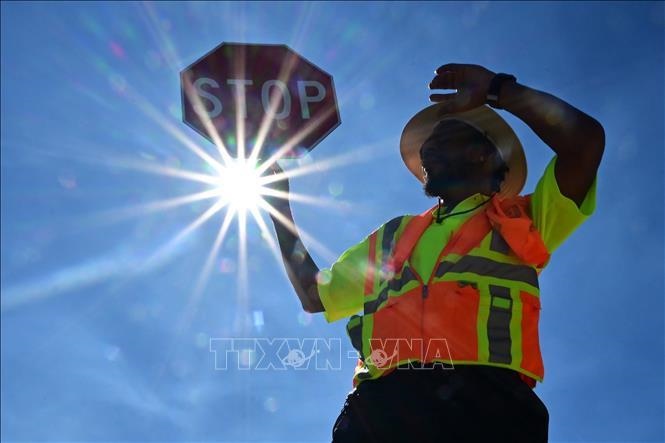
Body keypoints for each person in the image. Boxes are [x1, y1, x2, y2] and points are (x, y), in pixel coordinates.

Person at [266, 63, 604, 442]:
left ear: (483, 154)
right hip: (380, 412)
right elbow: (316, 296)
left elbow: (585, 143)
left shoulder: (525, 219)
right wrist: (279, 208)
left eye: (443, 138)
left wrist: (498, 89)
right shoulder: (392, 236)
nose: (426, 149)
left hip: (489, 411)